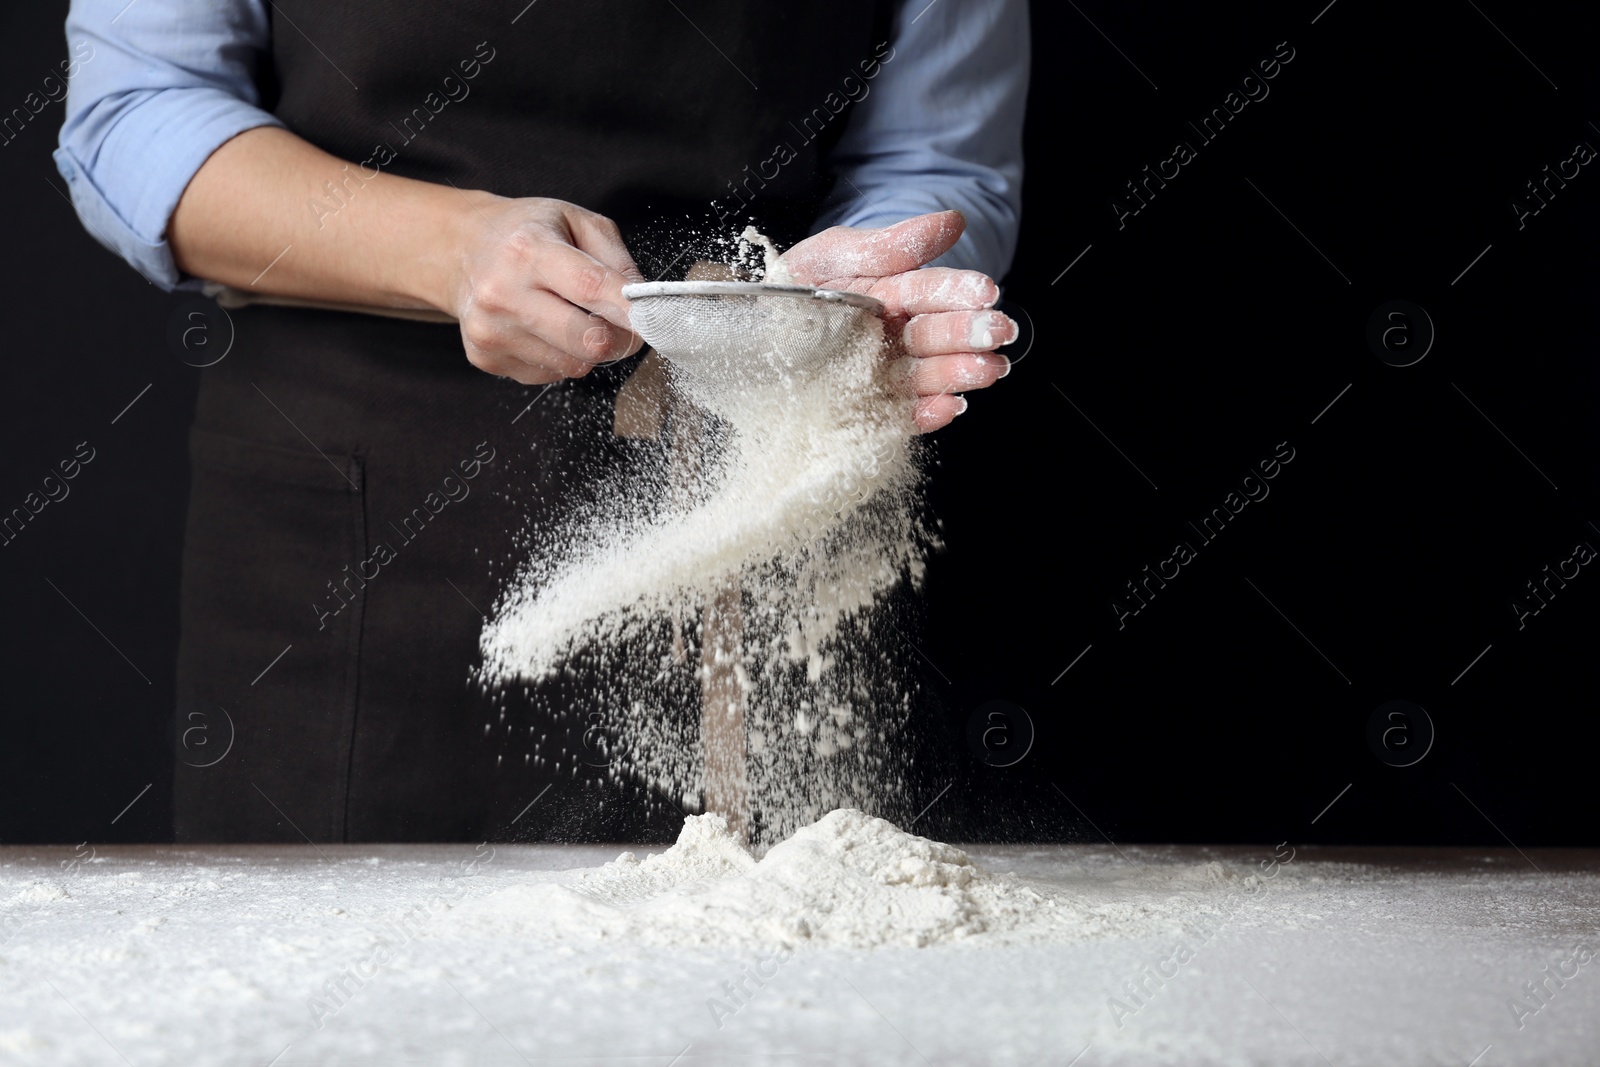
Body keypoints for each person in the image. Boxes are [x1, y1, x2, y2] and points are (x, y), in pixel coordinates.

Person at [56, 0, 1029, 843]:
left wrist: (843, 303)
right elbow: (134, 108)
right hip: (350, 530)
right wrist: (450, 248)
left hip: (761, 471)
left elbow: (933, 154)